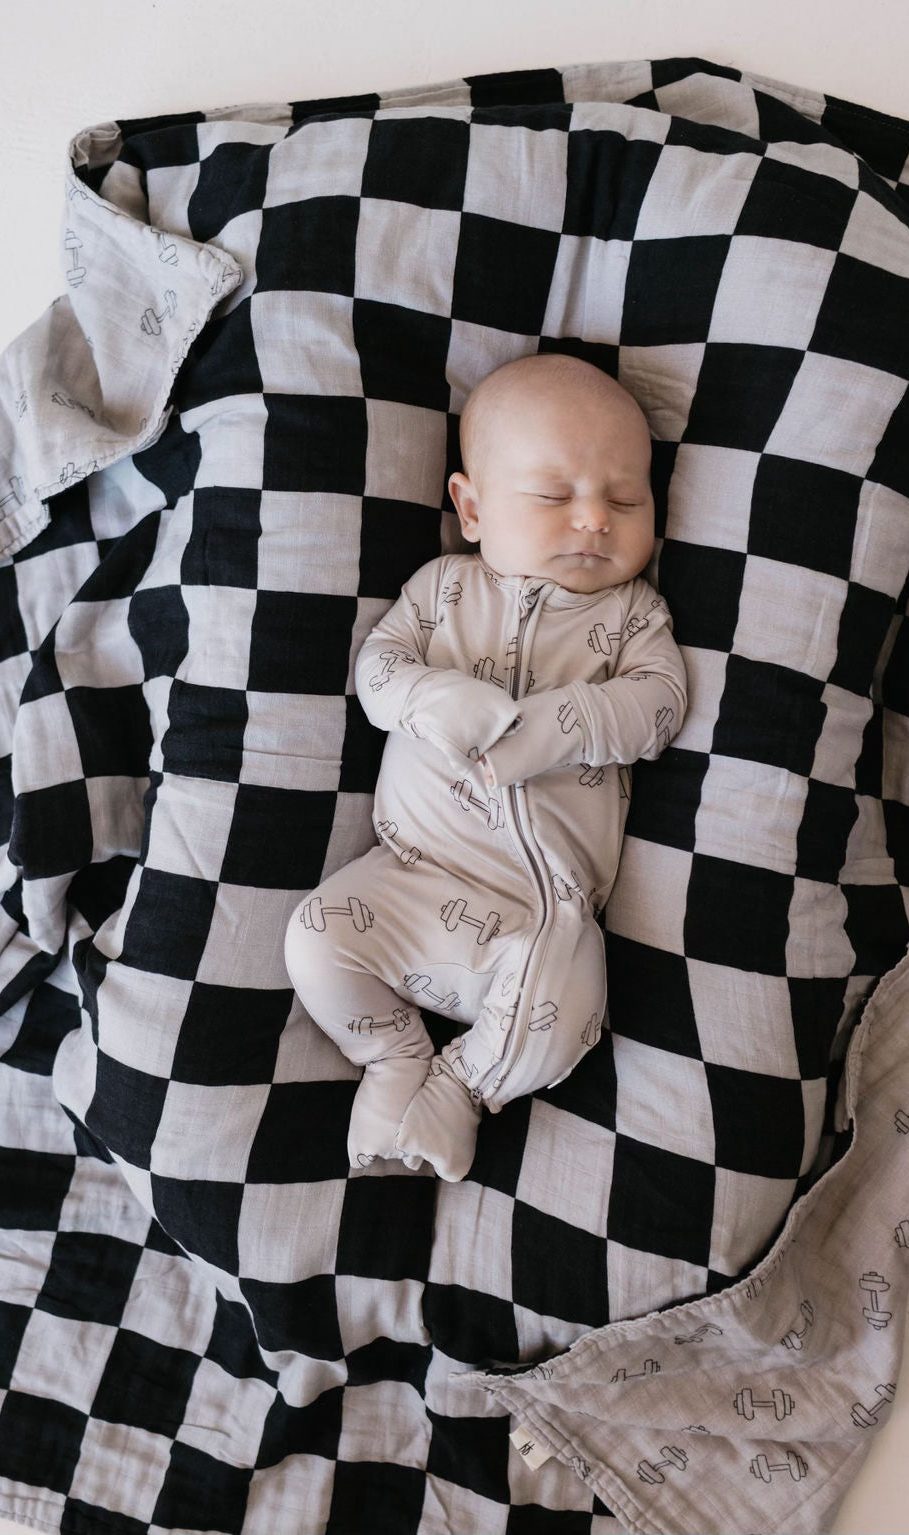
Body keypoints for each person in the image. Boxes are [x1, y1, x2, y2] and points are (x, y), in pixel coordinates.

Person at [284, 353, 688, 1180]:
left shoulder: (632, 613)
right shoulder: (441, 593)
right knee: (315, 937)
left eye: (625, 499)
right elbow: (377, 674)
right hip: (411, 877)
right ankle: (394, 1056)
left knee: (572, 1004)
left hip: (541, 913)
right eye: (553, 496)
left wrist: (566, 723)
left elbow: (660, 705)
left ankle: (462, 1084)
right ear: (471, 508)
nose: (593, 521)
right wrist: (430, 697)